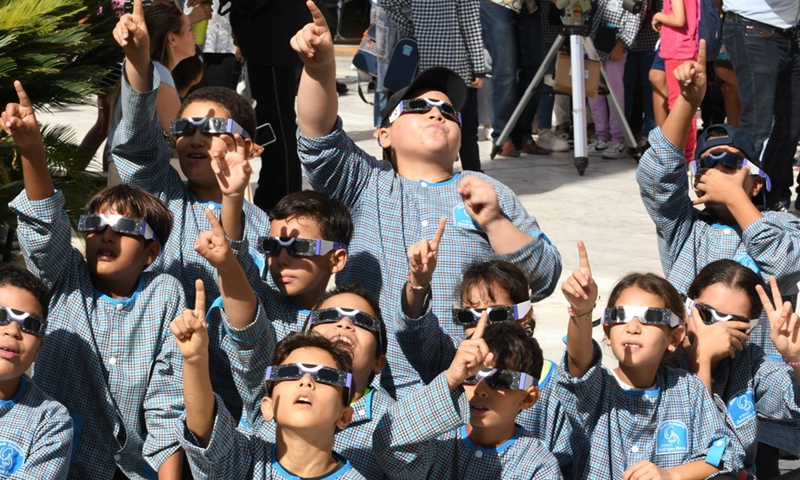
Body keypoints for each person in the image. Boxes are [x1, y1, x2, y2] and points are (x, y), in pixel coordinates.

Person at [291, 1, 562, 398]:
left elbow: (543, 277)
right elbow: (317, 139)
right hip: (374, 380)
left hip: (473, 380)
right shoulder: (364, 180)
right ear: (384, 135)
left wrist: (495, 222)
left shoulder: (485, 190)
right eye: (418, 106)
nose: (436, 113)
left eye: (449, 111)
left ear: (458, 138)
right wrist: (319, 68)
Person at [4, 81, 186, 478]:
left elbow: (167, 402)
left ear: (152, 252)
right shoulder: (64, 276)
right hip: (55, 459)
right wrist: (32, 149)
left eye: (123, 227)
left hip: (136, 467)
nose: (105, 233)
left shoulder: (165, 293)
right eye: (94, 224)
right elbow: (42, 226)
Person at [636, 40, 800, 358]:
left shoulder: (782, 223)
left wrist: (737, 200)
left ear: (756, 184)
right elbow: (655, 177)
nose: (719, 169)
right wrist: (687, 101)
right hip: (691, 367)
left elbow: (787, 264)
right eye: (708, 163)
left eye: (731, 163)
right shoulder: (684, 229)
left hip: (761, 378)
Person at [558, 242, 744, 478]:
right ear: (607, 330)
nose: (633, 327)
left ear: (674, 337)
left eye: (650, 318)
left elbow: (721, 454)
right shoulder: (596, 387)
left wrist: (670, 475)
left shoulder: (688, 389)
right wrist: (582, 310)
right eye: (620, 316)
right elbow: (578, 362)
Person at [399, 246, 574, 473]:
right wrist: (419, 283)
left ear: (526, 315)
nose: (482, 324)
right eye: (468, 316)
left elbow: (565, 460)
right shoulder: (454, 368)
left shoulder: (553, 388)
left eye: (497, 314)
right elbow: (416, 333)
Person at [189, 188, 352, 420]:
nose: (282, 259)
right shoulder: (260, 299)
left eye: (299, 247)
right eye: (272, 246)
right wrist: (232, 198)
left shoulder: (347, 326)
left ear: (336, 259)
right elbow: (235, 263)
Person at [216, 281, 395, 479]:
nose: (344, 324)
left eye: (362, 321)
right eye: (328, 316)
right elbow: (248, 335)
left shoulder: (392, 421)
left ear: (379, 362)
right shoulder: (279, 382)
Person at [172, 300, 366, 480]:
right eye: (290, 373)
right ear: (268, 406)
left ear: (344, 416)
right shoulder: (246, 462)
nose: (306, 381)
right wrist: (194, 361)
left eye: (326, 377)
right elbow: (205, 429)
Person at [373, 318, 562, 478]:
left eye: (500, 379)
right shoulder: (436, 440)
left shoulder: (538, 466)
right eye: (471, 377)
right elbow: (386, 446)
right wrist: (450, 379)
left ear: (528, 398)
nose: (481, 390)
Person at [672, 260, 800, 477]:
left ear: (747, 331)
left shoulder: (748, 361)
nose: (717, 330)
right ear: (686, 308)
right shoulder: (662, 358)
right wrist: (702, 358)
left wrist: (796, 357)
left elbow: (793, 400)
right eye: (706, 315)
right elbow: (700, 451)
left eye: (732, 323)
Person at [227, 0, 311, 211]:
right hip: (265, 36)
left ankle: (285, 196)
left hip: (272, 36)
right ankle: (273, 189)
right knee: (269, 117)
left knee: (277, 121)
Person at [382, 0, 486, 172]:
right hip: (455, 65)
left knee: (407, 121)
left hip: (419, 64)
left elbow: (388, 3)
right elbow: (470, 24)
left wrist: (412, 26)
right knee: (465, 127)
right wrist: (479, 67)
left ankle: (396, 172)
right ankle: (474, 174)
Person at [721, 0, 800, 212]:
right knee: (757, 125)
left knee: (792, 125)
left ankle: (771, 194)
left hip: (789, 32)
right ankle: (737, 202)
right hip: (752, 28)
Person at [106, 0, 199, 176]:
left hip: (130, 169)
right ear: (172, 38)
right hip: (137, 175)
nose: (194, 36)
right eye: (189, 30)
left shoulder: (156, 70)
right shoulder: (159, 75)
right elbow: (179, 132)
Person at [0, 265, 74, 479]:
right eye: (1, 315)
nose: (13, 331)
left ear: (38, 349)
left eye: (29, 324)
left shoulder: (51, 421)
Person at [479, 0, 552, 158]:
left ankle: (523, 136)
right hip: (497, 4)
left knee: (536, 69)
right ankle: (503, 137)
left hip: (528, 5)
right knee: (506, 69)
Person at [585, 0, 645, 160]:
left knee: (614, 93)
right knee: (594, 92)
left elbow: (634, 18)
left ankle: (617, 139)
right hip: (593, 44)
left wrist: (622, 44)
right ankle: (601, 136)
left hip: (615, 47)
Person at [651, 0, 699, 162]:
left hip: (678, 50)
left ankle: (685, 155)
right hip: (686, 48)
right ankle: (687, 154)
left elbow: (679, 19)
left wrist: (658, 15)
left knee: (679, 106)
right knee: (684, 104)